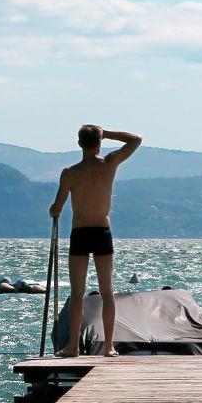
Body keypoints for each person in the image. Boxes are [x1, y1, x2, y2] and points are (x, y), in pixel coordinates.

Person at [49, 123, 141, 357]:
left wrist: (53, 210)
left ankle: (73, 347)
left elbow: (56, 208)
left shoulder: (70, 173)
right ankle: (108, 346)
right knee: (107, 291)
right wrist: (106, 133)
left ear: (79, 144)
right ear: (99, 144)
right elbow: (135, 140)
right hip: (102, 232)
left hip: (80, 233)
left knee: (78, 292)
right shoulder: (109, 164)